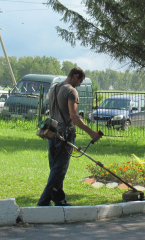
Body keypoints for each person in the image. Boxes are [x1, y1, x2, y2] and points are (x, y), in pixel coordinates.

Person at [37, 67, 102, 206]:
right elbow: (74, 115)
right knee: (59, 169)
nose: (79, 84)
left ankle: (58, 199)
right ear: (75, 76)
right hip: (65, 134)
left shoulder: (54, 88)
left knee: (55, 168)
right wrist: (91, 132)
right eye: (80, 81)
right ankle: (43, 201)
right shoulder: (71, 91)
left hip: (52, 132)